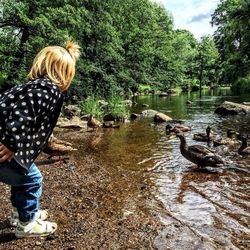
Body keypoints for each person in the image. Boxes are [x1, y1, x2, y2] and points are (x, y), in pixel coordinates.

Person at [0, 40, 80, 238]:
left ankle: (21, 215)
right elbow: (22, 115)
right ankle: (26, 225)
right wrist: (11, 142)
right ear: (65, 74)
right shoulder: (47, 90)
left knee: (23, 179)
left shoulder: (33, 86)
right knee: (32, 179)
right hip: (5, 145)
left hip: (6, 142)